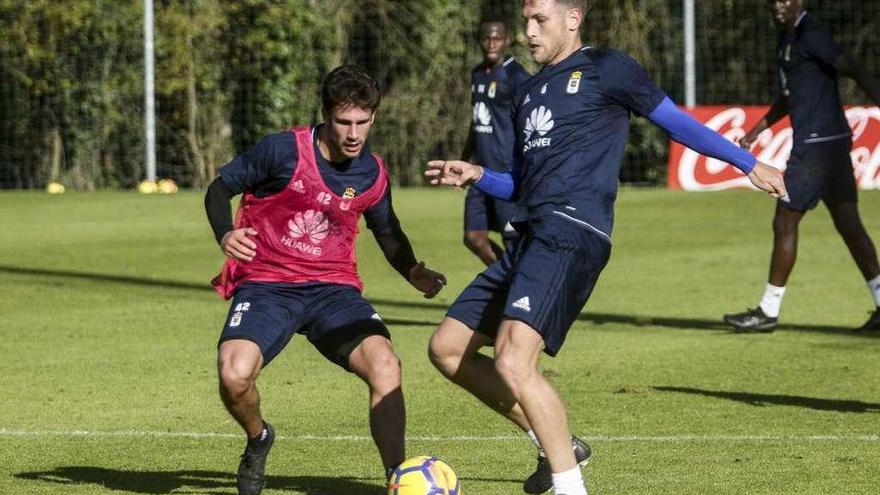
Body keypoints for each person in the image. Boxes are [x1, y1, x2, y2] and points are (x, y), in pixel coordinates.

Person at [425, 1, 787, 494]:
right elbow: (523, 185)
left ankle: (570, 487)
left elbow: (676, 122)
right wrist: (478, 175)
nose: (528, 32)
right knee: (447, 349)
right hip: (529, 233)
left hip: (572, 232)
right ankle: (556, 444)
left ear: (573, 18)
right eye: (526, 21)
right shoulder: (528, 93)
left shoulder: (607, 68)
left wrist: (747, 163)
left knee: (513, 357)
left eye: (540, 21)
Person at [204, 65, 446, 495]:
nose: (354, 133)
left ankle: (398, 479)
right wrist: (226, 232)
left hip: (334, 290)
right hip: (267, 284)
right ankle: (259, 437)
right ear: (325, 115)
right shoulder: (281, 151)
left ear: (373, 117)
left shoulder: (372, 173)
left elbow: (387, 231)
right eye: (343, 122)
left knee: (386, 366)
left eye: (363, 122)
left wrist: (413, 270)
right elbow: (218, 189)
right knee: (233, 375)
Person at [723, 0, 880, 333]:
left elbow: (851, 64)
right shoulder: (786, 38)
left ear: (800, 2)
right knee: (849, 224)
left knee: (785, 218)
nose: (778, 6)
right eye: (773, 1)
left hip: (817, 146)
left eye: (785, 0)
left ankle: (767, 311)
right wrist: (756, 131)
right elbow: (787, 97)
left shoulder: (811, 31)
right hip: (831, 143)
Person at [461, 16, 532, 266]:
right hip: (478, 171)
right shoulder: (478, 74)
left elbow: (530, 124)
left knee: (513, 241)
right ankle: (505, 284)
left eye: (497, 38)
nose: (491, 43)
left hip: (506, 173)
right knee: (473, 236)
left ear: (507, 40)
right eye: (486, 38)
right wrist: (463, 159)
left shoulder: (517, 77)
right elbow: (476, 120)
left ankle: (519, 290)